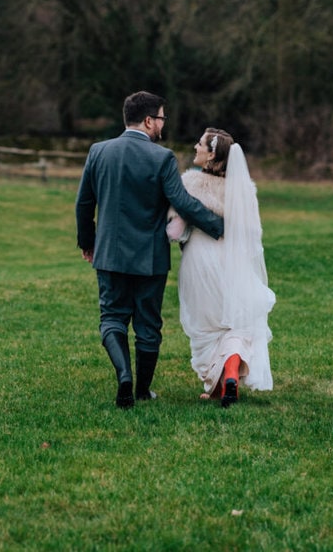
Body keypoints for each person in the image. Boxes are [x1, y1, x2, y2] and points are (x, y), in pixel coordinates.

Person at [76, 91, 225, 409]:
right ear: (148, 121)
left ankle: (123, 376)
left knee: (112, 317)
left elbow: (84, 203)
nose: (162, 124)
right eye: (161, 118)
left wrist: (88, 242)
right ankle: (142, 389)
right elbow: (182, 202)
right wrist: (219, 227)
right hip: (150, 257)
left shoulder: (98, 151)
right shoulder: (162, 157)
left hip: (110, 254)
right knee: (147, 326)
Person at [166, 128, 275, 407]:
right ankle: (230, 374)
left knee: (207, 325)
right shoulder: (244, 190)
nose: (195, 147)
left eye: (200, 144)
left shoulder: (190, 184)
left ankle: (216, 385)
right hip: (233, 261)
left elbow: (175, 231)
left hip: (200, 261)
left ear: (212, 154)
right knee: (235, 320)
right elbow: (253, 234)